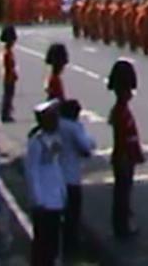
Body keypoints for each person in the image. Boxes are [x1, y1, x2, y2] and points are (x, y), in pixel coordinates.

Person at [26, 100, 66, 266]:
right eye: (53, 117)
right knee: (43, 245)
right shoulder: (37, 141)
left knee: (53, 244)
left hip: (55, 198)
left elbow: (56, 168)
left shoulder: (55, 138)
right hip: (44, 201)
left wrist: (63, 193)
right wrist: (37, 198)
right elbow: (32, 171)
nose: (57, 120)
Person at [108, 58, 144, 239]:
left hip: (126, 157)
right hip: (123, 158)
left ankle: (123, 224)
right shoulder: (120, 112)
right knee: (122, 194)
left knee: (124, 192)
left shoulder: (122, 110)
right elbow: (124, 139)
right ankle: (121, 227)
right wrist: (128, 157)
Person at [59, 99, 96, 252]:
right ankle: (71, 245)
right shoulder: (74, 128)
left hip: (56, 176)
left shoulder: (56, 125)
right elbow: (87, 146)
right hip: (71, 177)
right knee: (72, 214)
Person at [0, 25, 18, 122]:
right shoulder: (6, 52)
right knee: (7, 96)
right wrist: (11, 76)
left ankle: (7, 113)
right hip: (8, 77)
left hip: (10, 76)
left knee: (9, 96)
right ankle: (5, 114)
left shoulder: (8, 51)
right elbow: (8, 66)